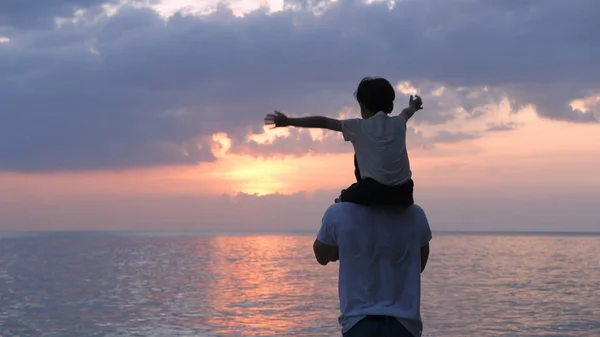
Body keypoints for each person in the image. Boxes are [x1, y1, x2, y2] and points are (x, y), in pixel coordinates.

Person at [264, 77, 423, 206]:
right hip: (405, 193)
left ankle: (340, 207)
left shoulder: (359, 126)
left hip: (374, 191)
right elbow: (407, 112)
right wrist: (414, 106)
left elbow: (323, 122)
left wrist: (288, 121)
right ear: (390, 107)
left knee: (344, 197)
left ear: (363, 106)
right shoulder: (399, 123)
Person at [313, 202, 432, 337]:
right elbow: (418, 266)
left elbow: (322, 256)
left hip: (358, 324)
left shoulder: (339, 213)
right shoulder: (416, 215)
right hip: (405, 326)